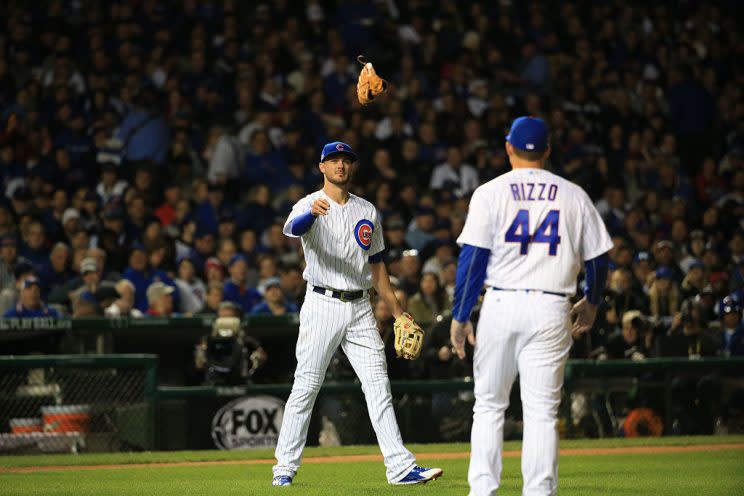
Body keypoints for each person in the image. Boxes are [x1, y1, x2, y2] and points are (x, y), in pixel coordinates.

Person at [449, 117, 613, 496]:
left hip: (502, 303)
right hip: (552, 307)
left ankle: (483, 491)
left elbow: (472, 260)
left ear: (508, 148)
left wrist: (460, 316)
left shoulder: (491, 192)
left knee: (489, 406)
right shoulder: (573, 194)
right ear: (548, 151)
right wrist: (592, 300)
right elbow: (599, 259)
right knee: (541, 413)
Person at [272, 141, 442, 487]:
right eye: (333, 160)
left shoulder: (367, 210)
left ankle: (400, 468)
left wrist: (397, 313)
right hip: (322, 303)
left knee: (379, 384)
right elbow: (291, 230)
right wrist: (311, 215)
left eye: (346, 160)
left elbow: (377, 266)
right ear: (322, 167)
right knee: (306, 385)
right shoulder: (309, 204)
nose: (340, 165)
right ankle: (284, 468)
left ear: (353, 167)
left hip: (361, 307)